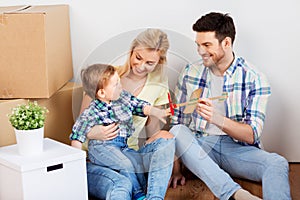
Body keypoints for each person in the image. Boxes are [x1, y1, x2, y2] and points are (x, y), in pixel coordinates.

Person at [169, 12, 291, 200]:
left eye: (207, 45)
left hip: (236, 149)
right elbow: (177, 123)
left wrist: (216, 119)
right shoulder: (190, 73)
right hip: (200, 146)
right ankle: (236, 194)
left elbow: (251, 135)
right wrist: (176, 169)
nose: (200, 51)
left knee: (277, 163)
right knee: (177, 131)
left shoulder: (255, 79)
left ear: (226, 43)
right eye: (198, 45)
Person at [77, 29, 177, 200]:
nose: (140, 66)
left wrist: (173, 166)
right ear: (131, 50)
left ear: (159, 62)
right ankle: (138, 192)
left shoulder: (158, 84)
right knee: (122, 186)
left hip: (126, 153)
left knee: (166, 138)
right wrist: (94, 133)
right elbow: (81, 124)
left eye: (149, 63)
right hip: (96, 158)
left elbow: (151, 131)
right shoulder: (106, 76)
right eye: (138, 58)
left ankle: (153, 197)